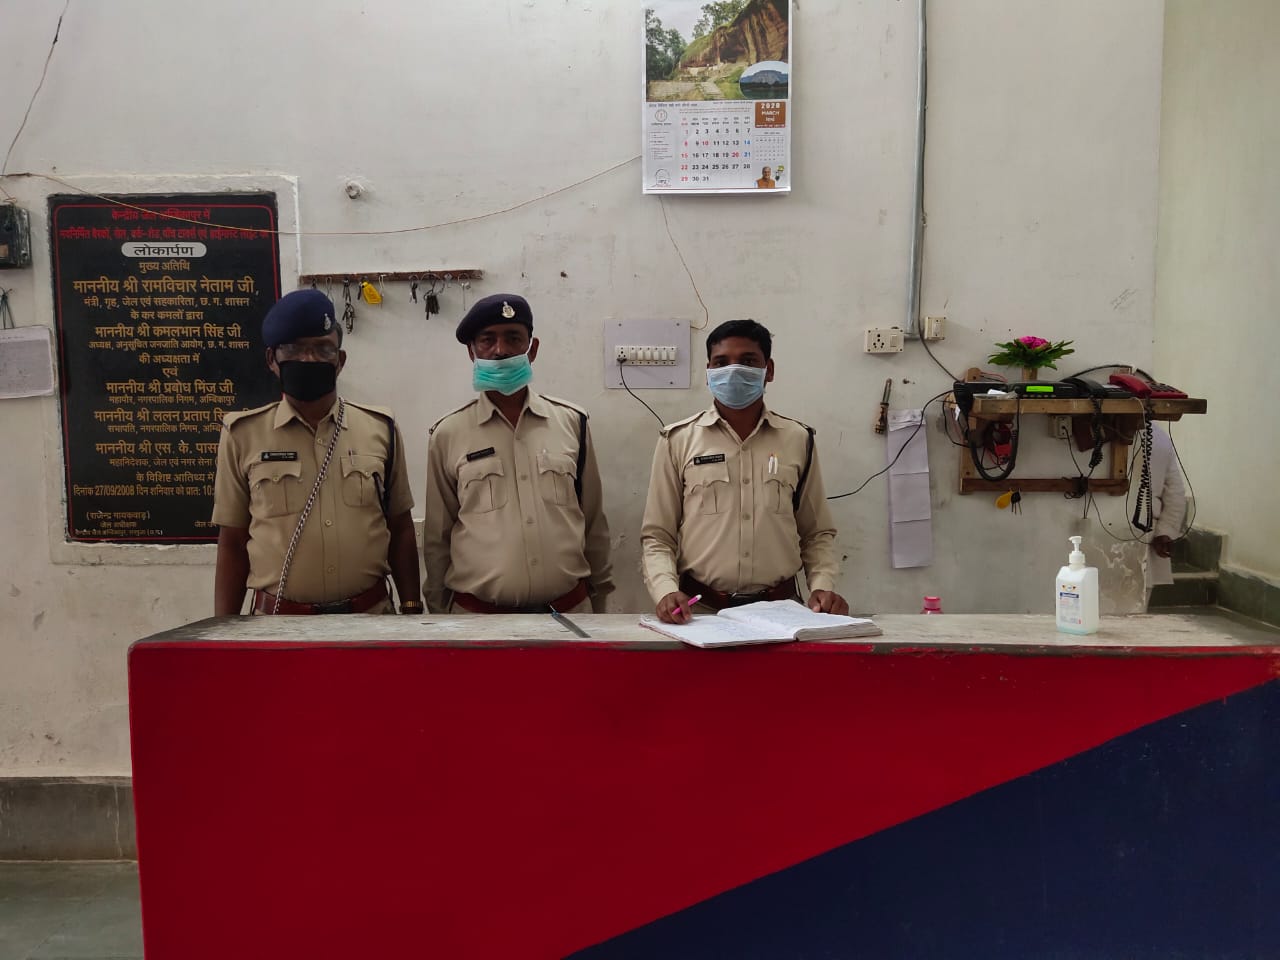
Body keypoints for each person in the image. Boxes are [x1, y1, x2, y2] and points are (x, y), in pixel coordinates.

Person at [212, 289, 421, 616]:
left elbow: (401, 528)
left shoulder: (380, 429)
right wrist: (223, 633)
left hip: (370, 621)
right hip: (278, 628)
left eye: (323, 348)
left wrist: (412, 608)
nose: (309, 359)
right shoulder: (242, 435)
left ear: (339, 361)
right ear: (272, 359)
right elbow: (233, 543)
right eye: (294, 349)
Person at [641, 318, 849, 624]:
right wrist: (665, 590)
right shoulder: (678, 440)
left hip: (784, 614)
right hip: (701, 615)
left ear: (770, 370)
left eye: (748, 361)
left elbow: (816, 533)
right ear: (709, 373)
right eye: (722, 362)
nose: (734, 371)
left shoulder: (797, 439)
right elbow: (658, 536)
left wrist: (822, 585)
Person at [422, 293, 613, 615]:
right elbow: (437, 539)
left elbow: (593, 522)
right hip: (478, 623)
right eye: (487, 340)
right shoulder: (448, 433)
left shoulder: (571, 423)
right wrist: (440, 615)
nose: (501, 350)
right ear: (472, 352)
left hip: (569, 616)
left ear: (532, 348)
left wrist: (601, 602)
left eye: (513, 338)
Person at [1143, 424, 1187, 609]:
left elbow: (1175, 491)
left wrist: (1165, 531)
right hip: (1146, 529)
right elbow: (1175, 493)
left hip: (1143, 532)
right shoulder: (1159, 436)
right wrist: (1166, 530)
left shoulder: (1157, 437)